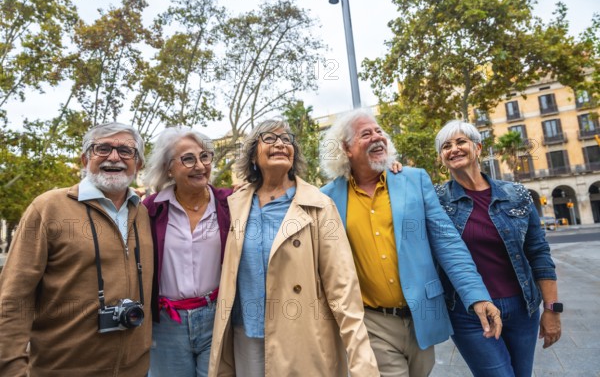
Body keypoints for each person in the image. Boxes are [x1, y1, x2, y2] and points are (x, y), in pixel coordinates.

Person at [320, 109, 502, 377]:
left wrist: (477, 296)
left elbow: (447, 243)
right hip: (371, 321)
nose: (377, 137)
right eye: (366, 134)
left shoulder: (413, 179)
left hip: (421, 317)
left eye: (379, 131)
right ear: (346, 148)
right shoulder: (328, 197)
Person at [208, 119, 379, 377]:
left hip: (302, 338)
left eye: (287, 140)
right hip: (246, 337)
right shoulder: (234, 205)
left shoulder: (320, 206)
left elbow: (343, 288)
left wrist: (362, 361)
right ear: (253, 153)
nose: (280, 143)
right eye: (270, 138)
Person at [0, 122, 153, 376]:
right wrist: (11, 368)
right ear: (85, 159)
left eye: (126, 151)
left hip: (135, 370)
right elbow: (14, 296)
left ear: (138, 164)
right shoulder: (48, 208)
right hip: (60, 369)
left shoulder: (145, 213)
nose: (114, 157)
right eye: (102, 148)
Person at [434, 120, 561, 377]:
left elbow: (539, 253)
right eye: (446, 146)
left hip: (522, 308)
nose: (454, 149)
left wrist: (551, 310)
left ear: (478, 148)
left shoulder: (516, 195)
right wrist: (394, 169)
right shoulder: (436, 200)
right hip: (468, 313)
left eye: (461, 142)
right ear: (441, 158)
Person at [142, 127, 233, 377]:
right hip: (166, 323)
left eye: (205, 157)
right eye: (188, 159)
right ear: (169, 167)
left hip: (216, 316)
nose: (200, 166)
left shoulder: (229, 203)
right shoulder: (150, 209)